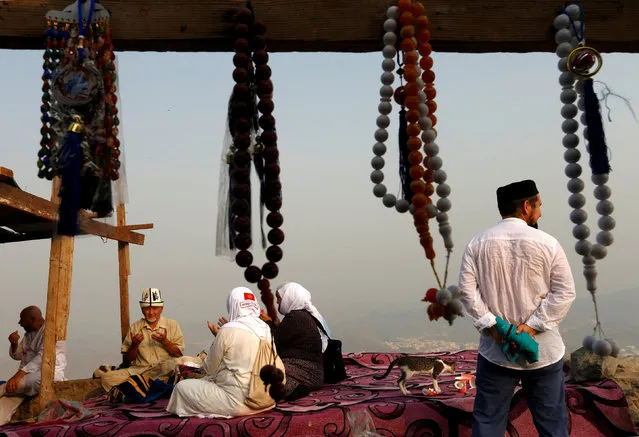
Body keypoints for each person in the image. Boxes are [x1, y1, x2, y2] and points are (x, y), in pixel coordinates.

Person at [458, 179, 576, 437]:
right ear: (526, 206)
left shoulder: (476, 244)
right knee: (553, 426)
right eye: (539, 205)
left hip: (496, 352)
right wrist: (532, 327)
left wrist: (492, 326)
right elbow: (565, 293)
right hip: (544, 352)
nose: (541, 212)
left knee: (488, 423)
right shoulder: (548, 243)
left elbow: (467, 292)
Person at [167, 287, 282, 418]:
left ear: (232, 305)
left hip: (239, 402)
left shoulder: (227, 330)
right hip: (267, 399)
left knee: (181, 388)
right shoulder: (265, 328)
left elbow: (210, 368)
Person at [100, 288, 185, 391]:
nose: (151, 312)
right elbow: (127, 361)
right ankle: (148, 385)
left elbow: (179, 354)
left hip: (162, 369)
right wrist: (134, 345)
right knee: (106, 378)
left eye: (155, 308)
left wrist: (165, 342)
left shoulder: (172, 325)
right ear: (142, 309)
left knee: (175, 364)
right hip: (139, 371)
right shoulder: (135, 327)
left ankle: (139, 387)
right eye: (147, 308)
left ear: (161, 309)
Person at [260, 282, 329, 401]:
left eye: (279, 298)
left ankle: (295, 388)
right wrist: (274, 324)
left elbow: (274, 342)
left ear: (289, 298)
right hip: (311, 372)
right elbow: (285, 337)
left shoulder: (296, 317)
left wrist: (267, 322)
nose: (277, 302)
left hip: (304, 372)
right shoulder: (301, 315)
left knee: (261, 380)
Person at [0, 306, 66, 424]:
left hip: (47, 374)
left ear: (32, 319)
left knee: (32, 380)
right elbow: (17, 355)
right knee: (6, 402)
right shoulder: (28, 334)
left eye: (22, 320)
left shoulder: (50, 331)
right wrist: (14, 344)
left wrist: (17, 377)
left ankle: (2, 389)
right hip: (23, 379)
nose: (19, 323)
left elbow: (43, 357)